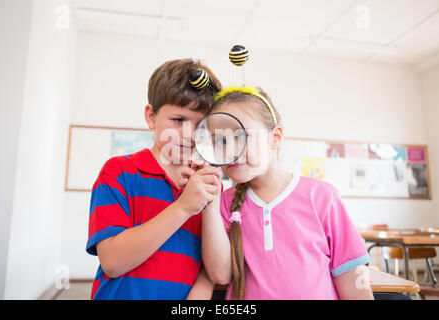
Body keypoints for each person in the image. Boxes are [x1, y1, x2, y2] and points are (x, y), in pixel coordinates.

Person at [201, 85, 374, 300]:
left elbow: (352, 276)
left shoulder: (322, 197)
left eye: (241, 136)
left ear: (275, 137)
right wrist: (211, 201)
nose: (230, 151)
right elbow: (220, 274)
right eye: (220, 141)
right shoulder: (223, 203)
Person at [86, 59, 223, 299]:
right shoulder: (119, 172)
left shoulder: (209, 185)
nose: (190, 134)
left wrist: (204, 287)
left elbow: (212, 265)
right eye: (179, 120)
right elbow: (113, 262)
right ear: (151, 117)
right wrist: (184, 207)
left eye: (201, 124)